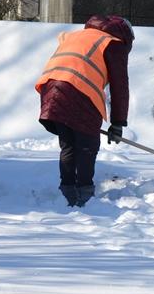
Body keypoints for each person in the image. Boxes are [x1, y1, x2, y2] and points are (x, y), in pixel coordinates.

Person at [35, 14, 133, 207]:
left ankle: (67, 193)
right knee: (87, 145)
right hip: (78, 89)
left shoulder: (77, 36)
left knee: (69, 144)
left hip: (50, 89)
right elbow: (120, 86)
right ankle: (84, 195)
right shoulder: (113, 43)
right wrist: (118, 123)